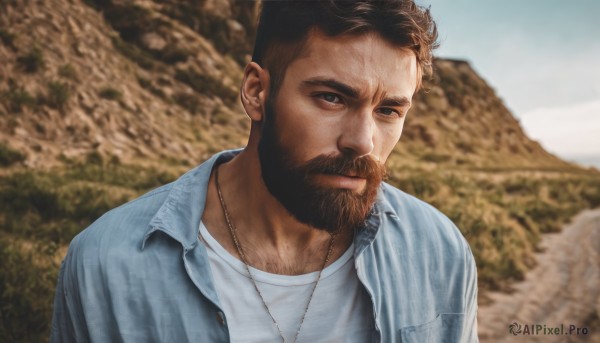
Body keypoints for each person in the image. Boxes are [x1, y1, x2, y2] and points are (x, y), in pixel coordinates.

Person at [51, 0, 478, 342]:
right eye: (331, 98)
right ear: (256, 91)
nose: (362, 142)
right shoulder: (105, 265)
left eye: (388, 110)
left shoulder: (440, 253)